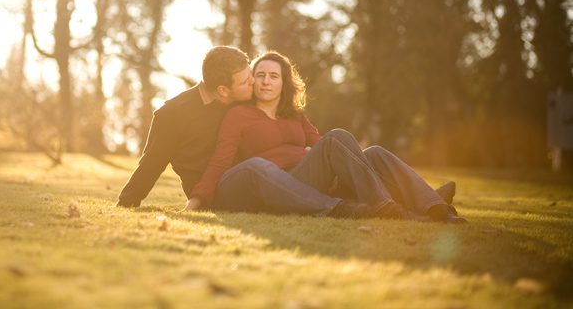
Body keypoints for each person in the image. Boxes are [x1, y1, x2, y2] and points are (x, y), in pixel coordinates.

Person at [186, 50, 467, 224]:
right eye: (260, 75)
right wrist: (196, 201)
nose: (266, 81)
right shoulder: (239, 116)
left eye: (274, 76)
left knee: (374, 153)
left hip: (313, 177)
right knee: (336, 138)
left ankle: (434, 205)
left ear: (284, 83)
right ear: (252, 81)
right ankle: (391, 205)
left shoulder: (295, 115)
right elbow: (221, 159)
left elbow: (325, 147)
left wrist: (325, 160)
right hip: (283, 183)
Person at [117, 46, 364, 218]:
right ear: (224, 90)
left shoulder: (240, 99)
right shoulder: (173, 115)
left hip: (263, 180)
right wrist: (127, 203)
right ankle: (341, 208)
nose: (255, 83)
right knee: (256, 167)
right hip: (217, 192)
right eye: (248, 80)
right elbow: (151, 164)